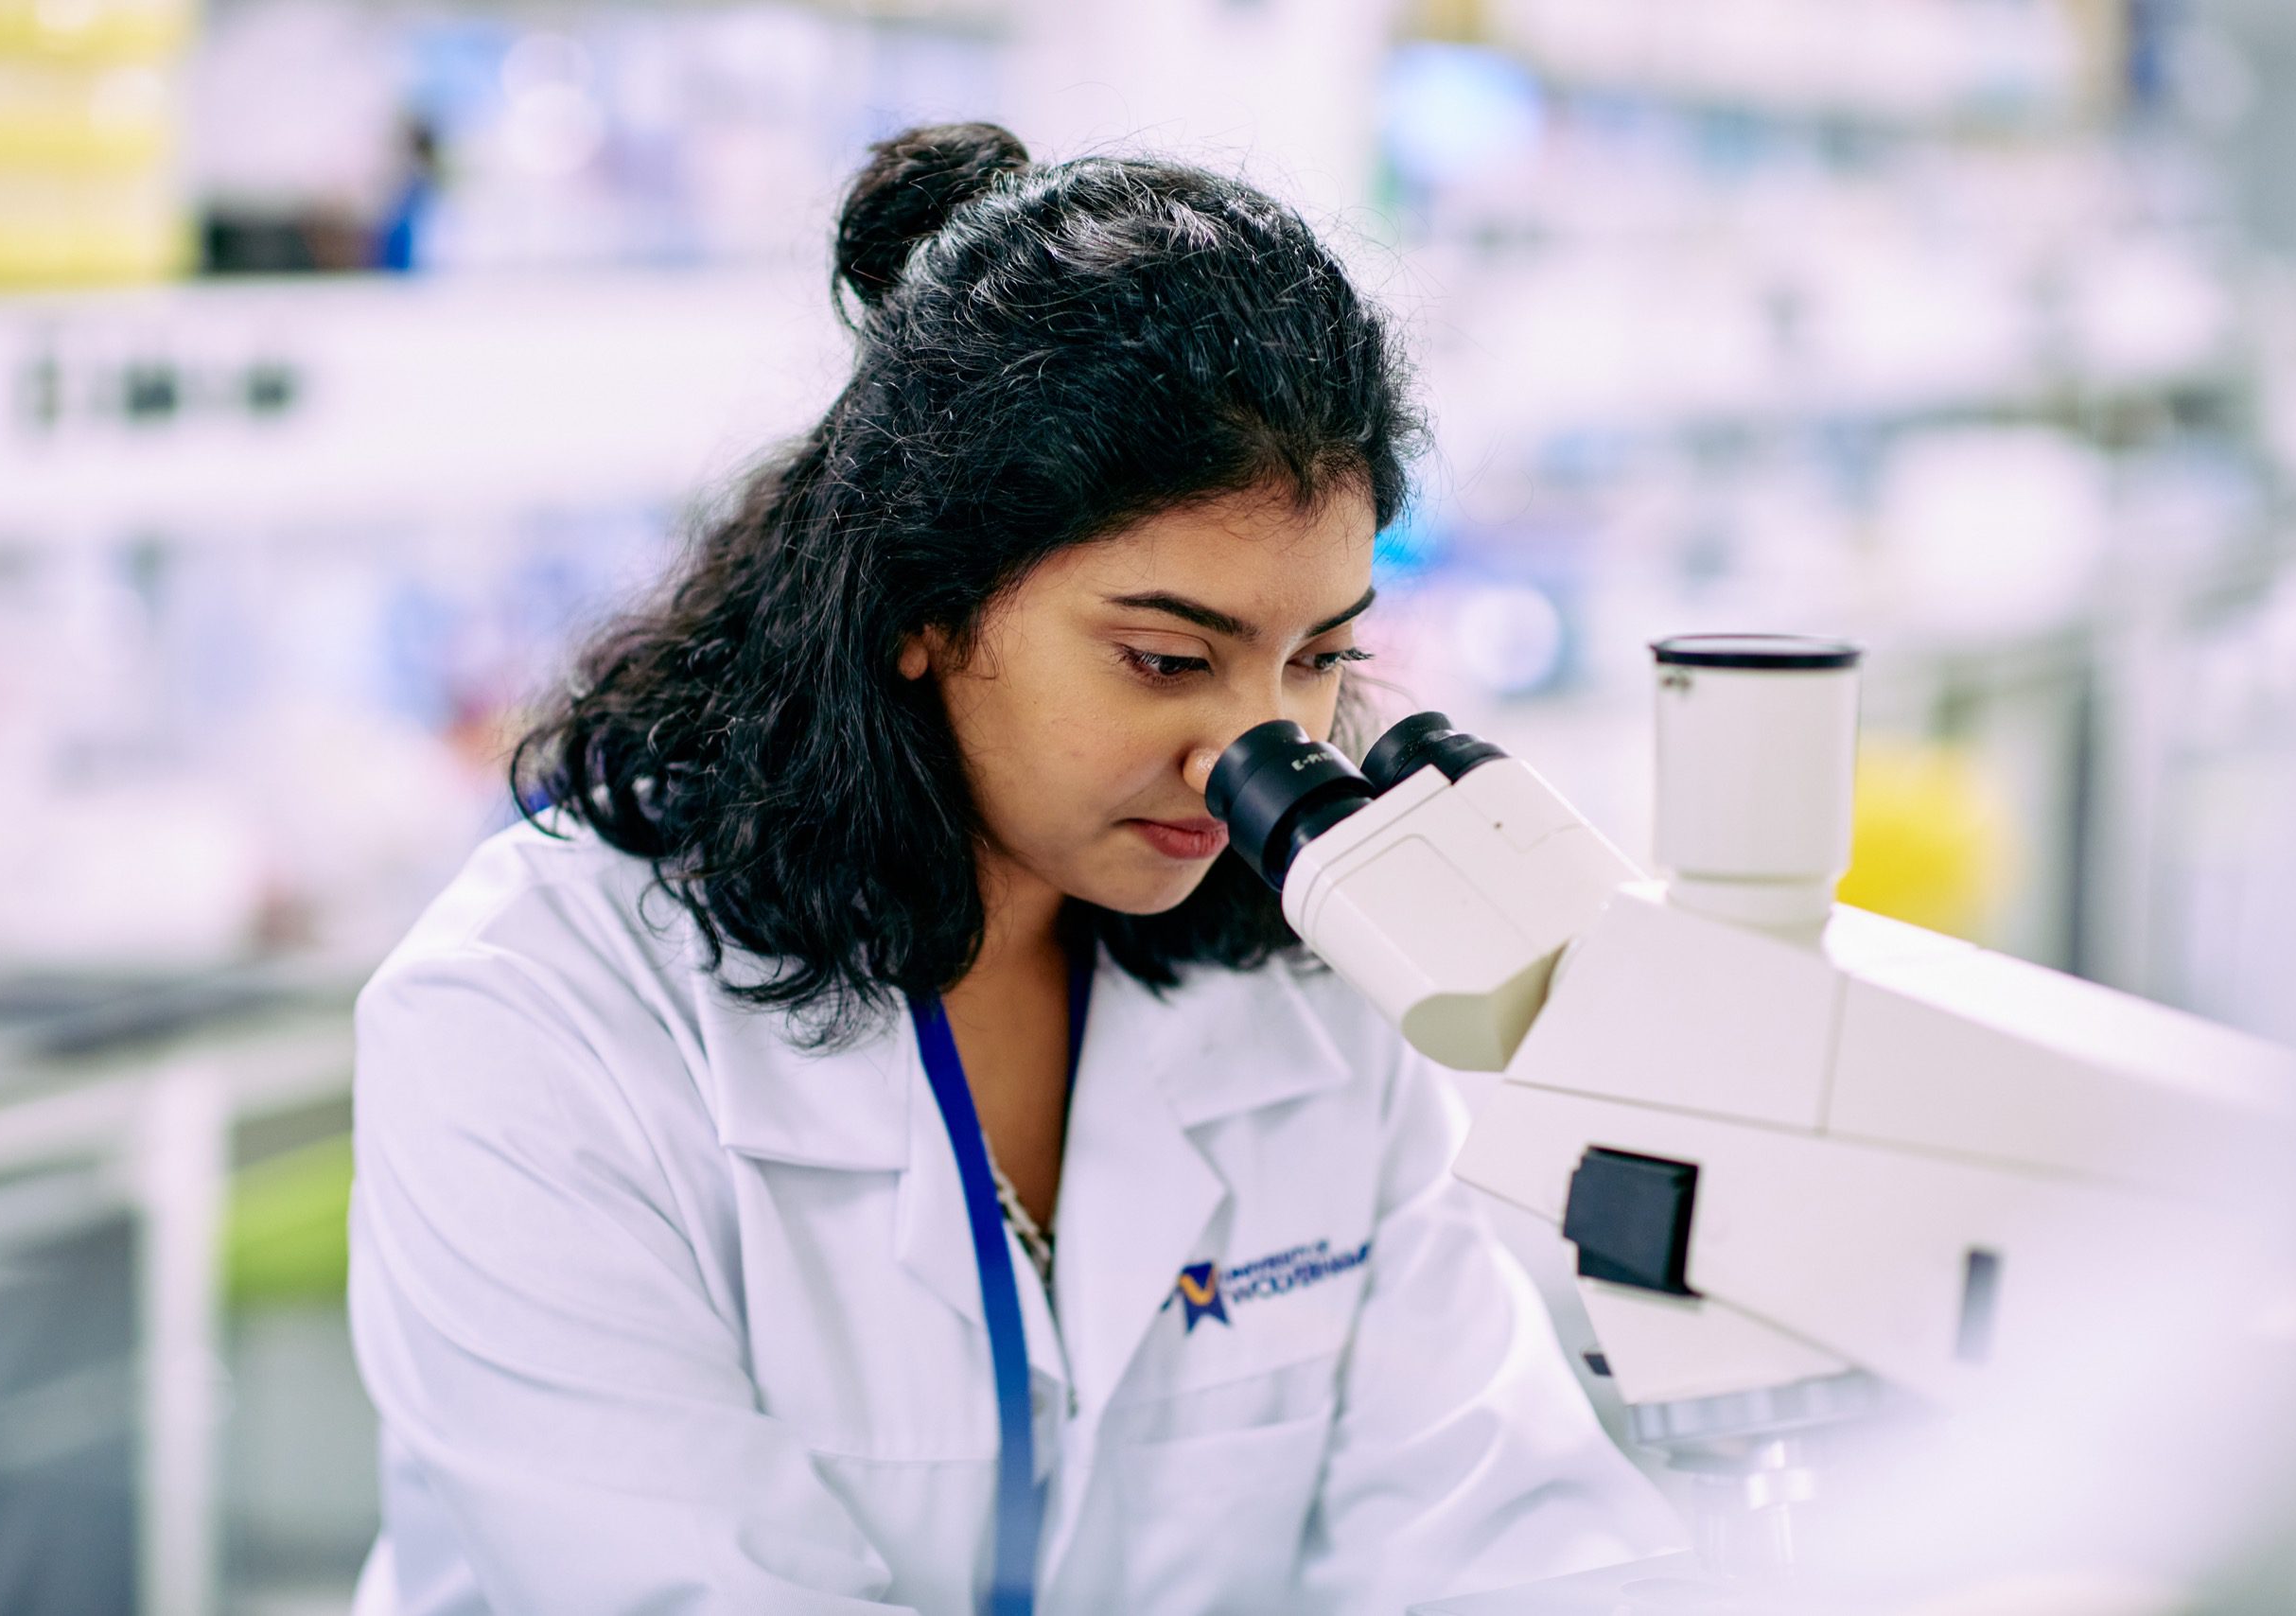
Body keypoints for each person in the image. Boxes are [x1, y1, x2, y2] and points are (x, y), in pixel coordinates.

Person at [345, 122, 1681, 1616]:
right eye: (1166, 659)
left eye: (1317, 658)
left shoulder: (1312, 1004)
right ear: (922, 602)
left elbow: (1489, 1520)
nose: (1253, 750)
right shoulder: (535, 1017)